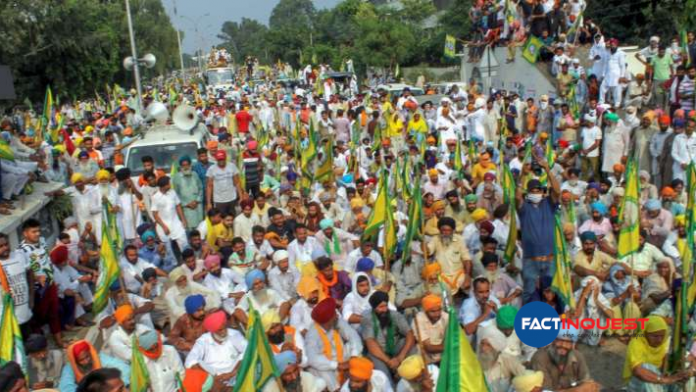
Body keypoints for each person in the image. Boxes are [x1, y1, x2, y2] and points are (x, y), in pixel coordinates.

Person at [516, 157, 560, 303]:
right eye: (533, 191)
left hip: (550, 258)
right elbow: (517, 197)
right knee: (528, 292)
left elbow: (557, 191)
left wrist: (547, 169)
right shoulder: (524, 208)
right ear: (528, 192)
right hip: (531, 259)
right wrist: (522, 175)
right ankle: (526, 322)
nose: (536, 193)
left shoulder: (549, 204)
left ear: (543, 192)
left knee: (551, 293)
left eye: (539, 190)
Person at [305, 298, 363, 391]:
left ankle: (358, 381)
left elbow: (353, 336)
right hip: (329, 365)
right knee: (322, 370)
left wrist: (353, 358)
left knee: (356, 351)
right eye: (334, 313)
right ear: (328, 319)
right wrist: (338, 365)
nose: (336, 314)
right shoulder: (312, 334)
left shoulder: (337, 321)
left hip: (344, 358)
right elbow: (312, 358)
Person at [361, 291, 416, 385]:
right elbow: (370, 343)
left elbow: (409, 334)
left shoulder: (395, 315)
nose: (384, 309)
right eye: (380, 307)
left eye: (385, 306)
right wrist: (389, 361)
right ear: (374, 308)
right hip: (379, 352)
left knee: (411, 348)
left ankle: (412, 382)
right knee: (383, 375)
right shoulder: (367, 318)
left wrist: (400, 357)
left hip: (396, 347)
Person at [624, 315, 689, 390]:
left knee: (683, 370)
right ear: (645, 333)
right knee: (647, 367)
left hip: (660, 380)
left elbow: (689, 357)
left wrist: (689, 371)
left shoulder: (665, 342)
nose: (659, 340)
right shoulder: (636, 342)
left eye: (662, 336)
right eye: (655, 336)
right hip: (638, 384)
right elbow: (638, 371)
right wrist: (665, 380)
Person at [185, 311, 248, 383]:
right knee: (195, 364)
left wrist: (232, 373)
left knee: (247, 356)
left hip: (234, 372)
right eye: (220, 330)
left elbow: (248, 350)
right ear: (212, 331)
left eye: (225, 328)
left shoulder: (234, 334)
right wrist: (212, 378)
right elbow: (190, 361)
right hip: (212, 374)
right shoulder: (203, 340)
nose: (224, 332)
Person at [531, 325, 599, 391]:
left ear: (573, 345)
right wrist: (576, 390)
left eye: (568, 342)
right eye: (560, 340)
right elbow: (545, 390)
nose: (563, 345)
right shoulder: (540, 358)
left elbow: (585, 381)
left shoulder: (577, 356)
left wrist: (587, 386)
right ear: (553, 341)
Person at [59, 340, 130, 392]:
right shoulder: (69, 368)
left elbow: (124, 368)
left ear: (90, 352)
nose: (86, 361)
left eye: (87, 357)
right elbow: (65, 387)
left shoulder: (99, 358)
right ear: (75, 361)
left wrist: (118, 387)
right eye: (81, 360)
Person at [262, 351, 327, 392]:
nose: (294, 377)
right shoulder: (270, 389)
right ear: (280, 375)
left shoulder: (308, 378)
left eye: (295, 370)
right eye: (288, 374)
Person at [412, 294, 448, 365]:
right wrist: (450, 347)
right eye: (433, 312)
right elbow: (428, 348)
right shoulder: (419, 319)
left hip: (444, 355)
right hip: (426, 357)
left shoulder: (446, 317)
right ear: (426, 311)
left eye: (439, 310)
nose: (437, 314)